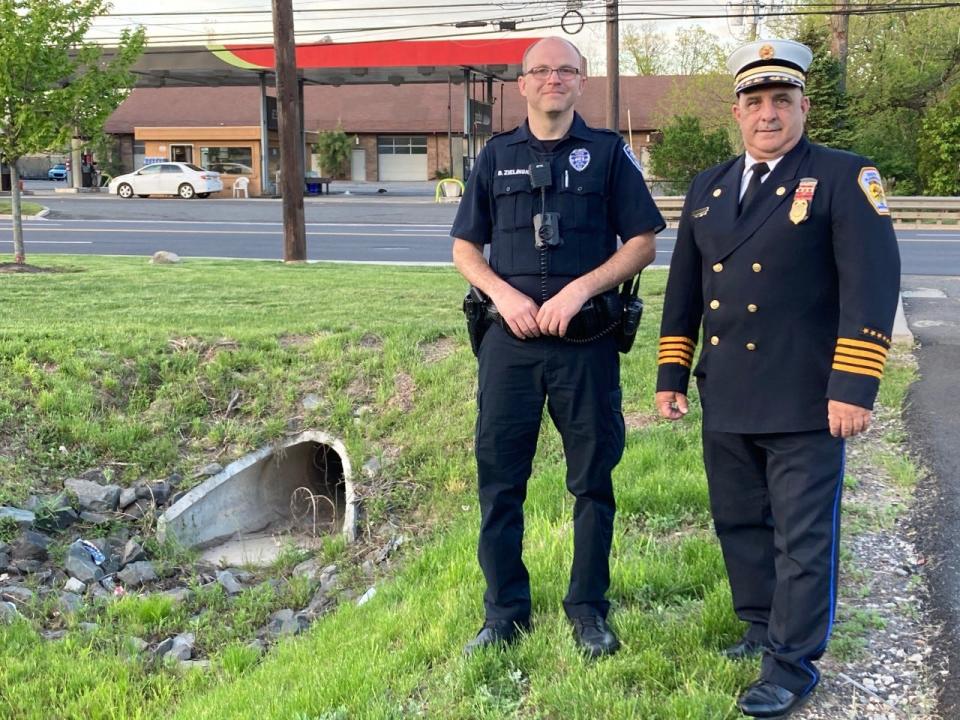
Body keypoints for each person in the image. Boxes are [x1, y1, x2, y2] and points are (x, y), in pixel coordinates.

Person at [654, 39, 901, 717]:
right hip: (727, 389)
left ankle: (792, 663)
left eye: (781, 102)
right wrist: (672, 370)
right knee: (739, 521)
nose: (768, 115)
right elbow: (685, 287)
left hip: (807, 396)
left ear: (803, 107)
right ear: (736, 111)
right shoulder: (707, 186)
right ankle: (760, 626)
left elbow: (872, 286)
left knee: (801, 536)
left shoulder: (845, 176)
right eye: (755, 102)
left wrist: (854, 386)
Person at [451, 36, 664, 658]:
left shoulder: (607, 154)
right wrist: (503, 295)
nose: (552, 79)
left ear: (581, 81)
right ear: (522, 84)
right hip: (508, 344)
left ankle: (588, 610)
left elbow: (643, 241)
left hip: (586, 340)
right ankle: (504, 613)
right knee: (499, 482)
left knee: (593, 483)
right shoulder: (495, 157)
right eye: (540, 71)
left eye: (564, 70)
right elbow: (466, 247)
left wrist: (578, 290)